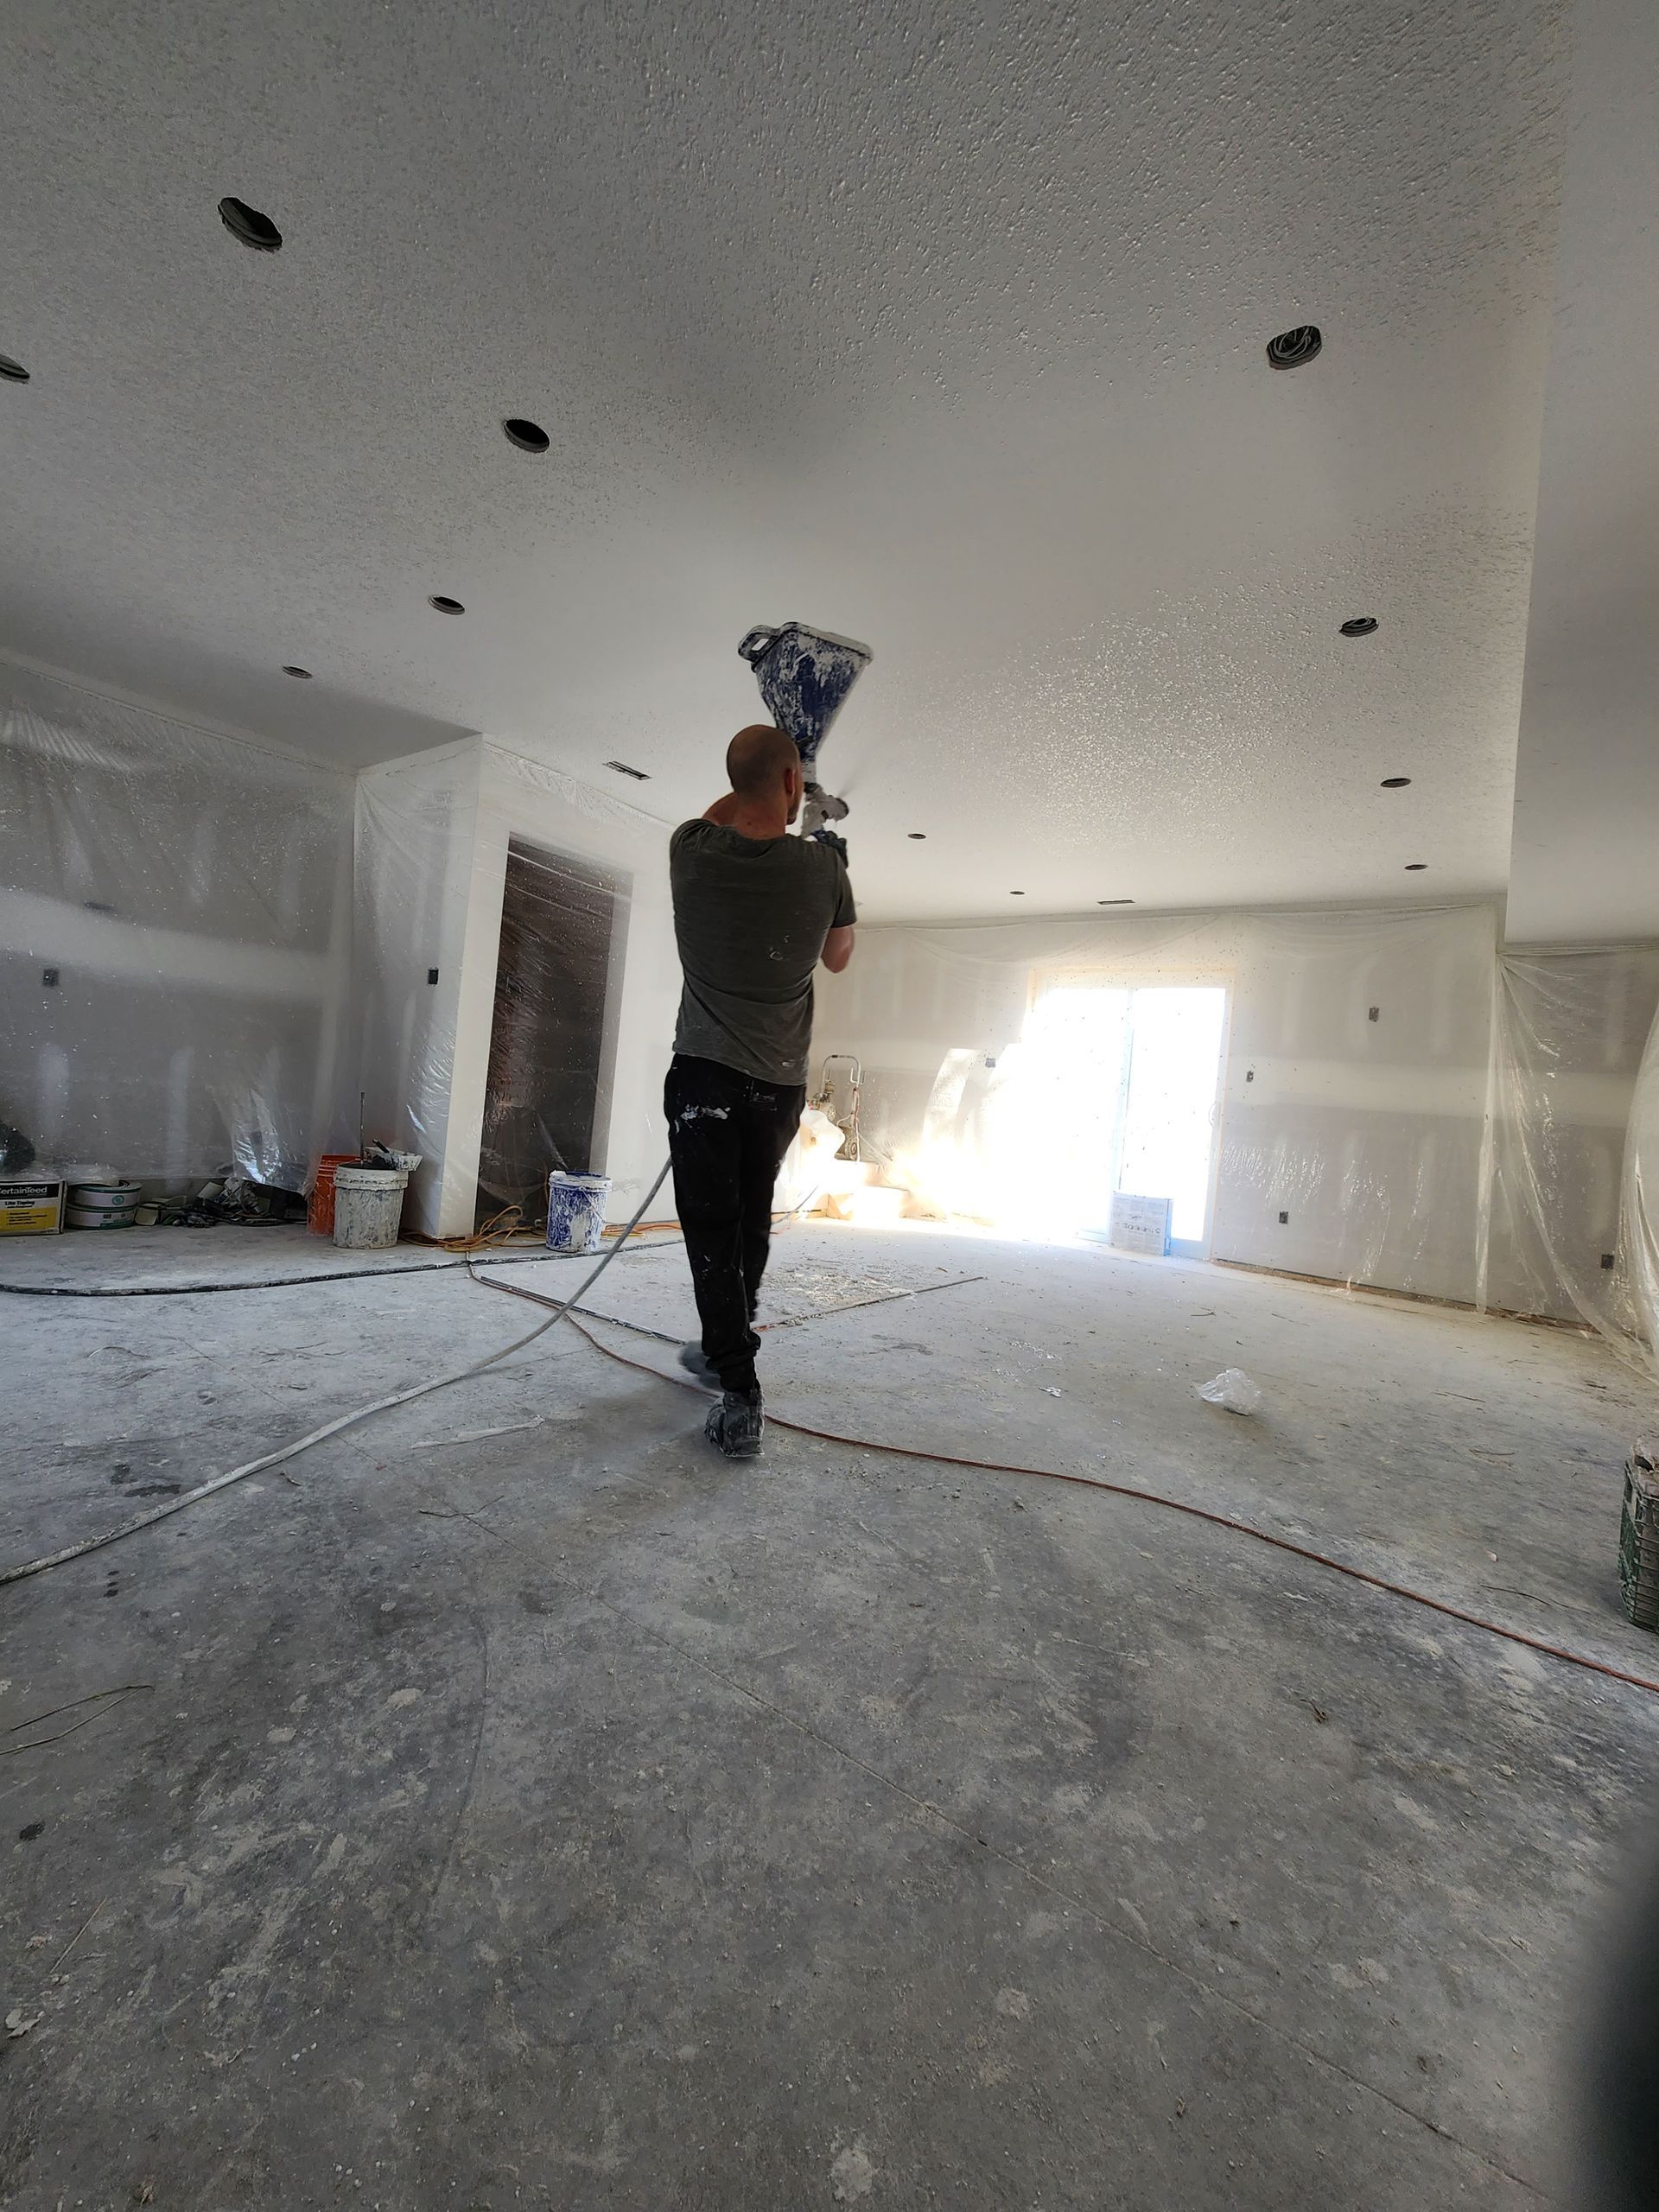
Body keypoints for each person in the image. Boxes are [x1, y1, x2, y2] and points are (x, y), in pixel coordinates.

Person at [666, 722, 856, 1457]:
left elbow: (724, 814)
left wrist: (772, 787)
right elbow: (838, 958)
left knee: (712, 1231)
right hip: (776, 1087)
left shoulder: (689, 850)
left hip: (703, 1079)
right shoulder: (821, 871)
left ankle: (738, 1385)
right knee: (747, 1225)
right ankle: (728, 1351)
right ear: (791, 786)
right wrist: (823, 846)